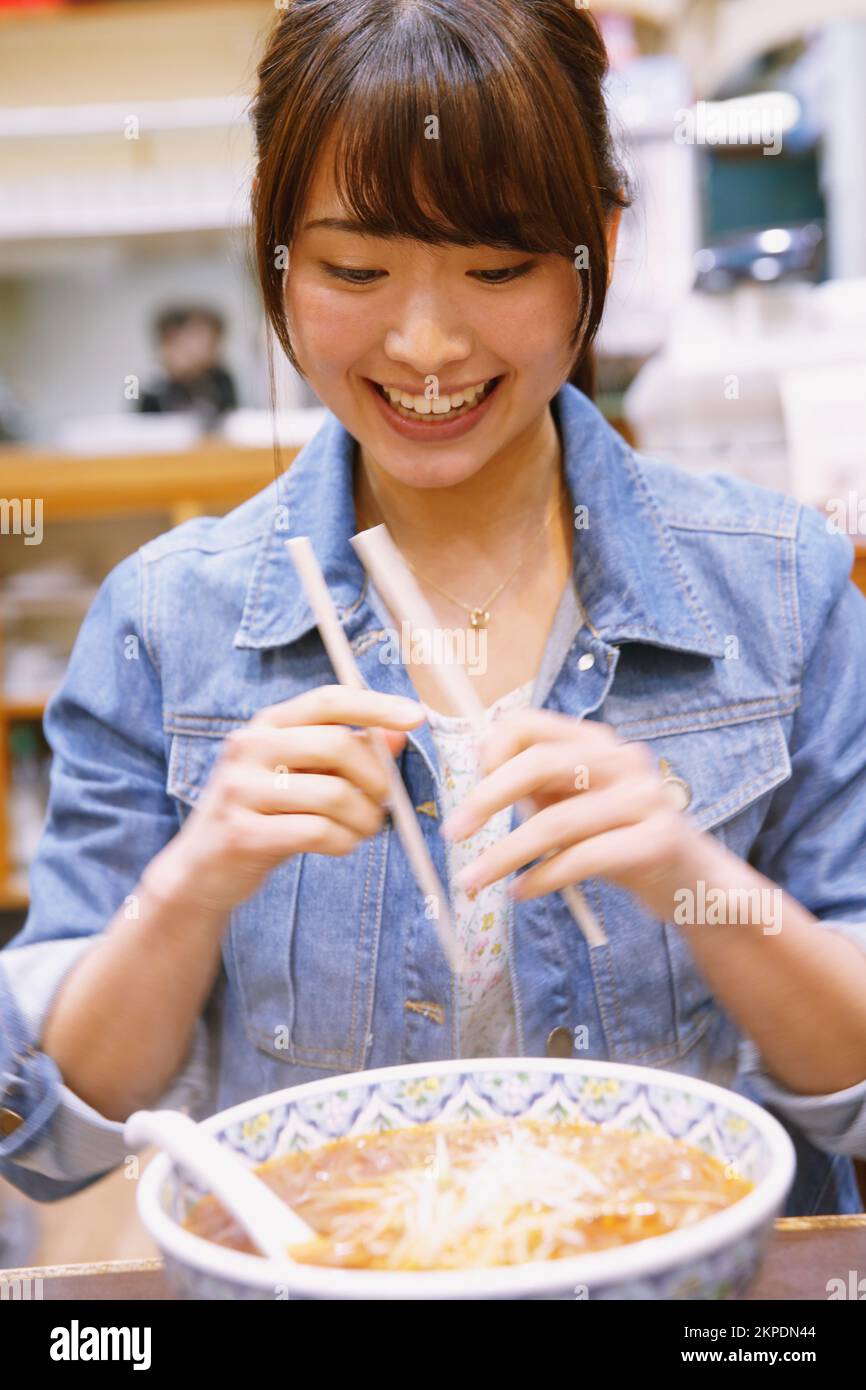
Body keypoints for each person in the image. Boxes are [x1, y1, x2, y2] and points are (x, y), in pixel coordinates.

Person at [1, 0, 865, 1218]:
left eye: (495, 268)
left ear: (596, 251)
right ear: (279, 258)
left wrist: (689, 875)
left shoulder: (780, 588)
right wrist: (191, 882)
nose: (423, 344)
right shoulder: (165, 620)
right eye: (357, 270)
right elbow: (50, 1138)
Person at [136, 306, 237, 425]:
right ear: (172, 338)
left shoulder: (221, 379)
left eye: (215, 339)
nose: (211, 345)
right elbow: (141, 429)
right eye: (199, 335)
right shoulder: (150, 383)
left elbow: (230, 423)